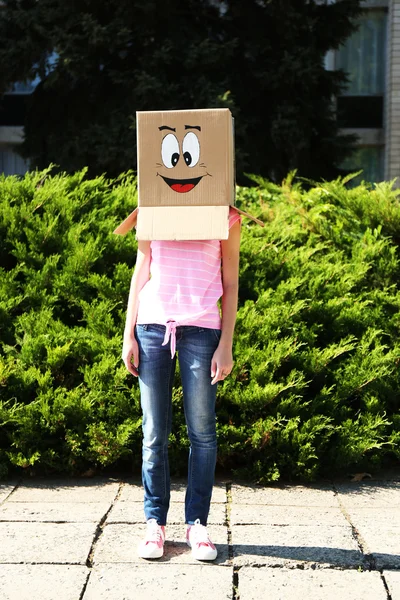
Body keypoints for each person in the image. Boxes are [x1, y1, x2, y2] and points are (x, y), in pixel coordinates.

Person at [122, 207, 241, 560]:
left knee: (202, 432)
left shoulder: (226, 218)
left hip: (203, 331)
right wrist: (128, 334)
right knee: (154, 431)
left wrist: (226, 344)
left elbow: (231, 282)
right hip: (152, 327)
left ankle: (197, 524)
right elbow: (141, 271)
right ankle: (154, 523)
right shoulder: (153, 209)